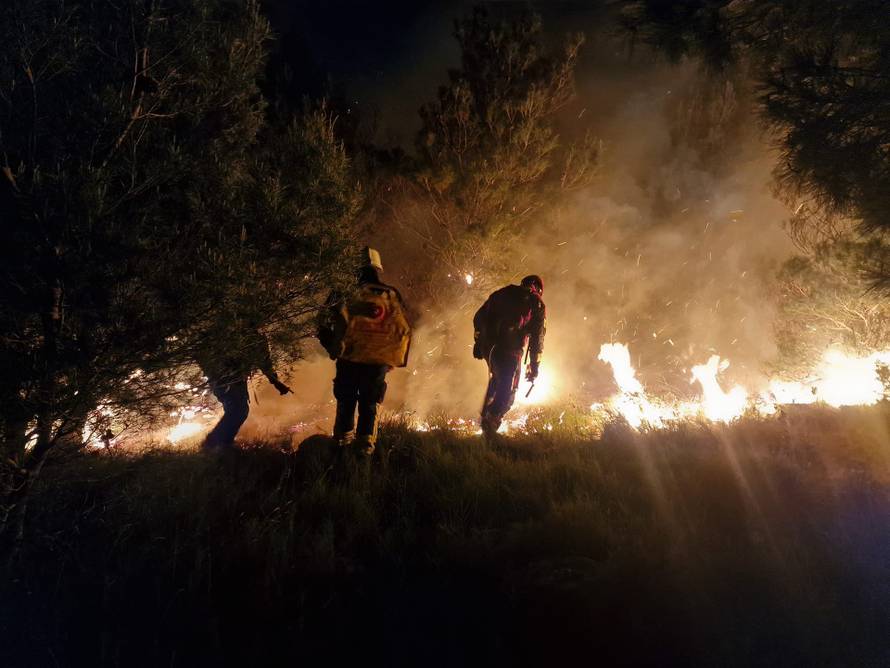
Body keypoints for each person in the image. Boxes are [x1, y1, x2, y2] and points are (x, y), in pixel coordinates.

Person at [317, 248, 411, 455]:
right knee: (370, 404)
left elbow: (321, 323)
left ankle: (342, 447)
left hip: (348, 358)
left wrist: (332, 347)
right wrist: (392, 359)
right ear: (377, 268)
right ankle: (365, 452)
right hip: (377, 362)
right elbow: (402, 329)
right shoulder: (390, 294)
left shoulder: (342, 292)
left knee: (346, 401)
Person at [473, 275, 546, 438]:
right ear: (539, 290)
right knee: (509, 387)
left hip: (490, 348)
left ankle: (486, 416)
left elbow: (478, 316)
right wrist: (534, 367)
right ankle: (491, 422)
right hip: (511, 351)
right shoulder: (537, 304)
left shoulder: (504, 292)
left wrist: (478, 342)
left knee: (497, 379)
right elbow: (537, 341)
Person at [197, 327, 291, 450]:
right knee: (238, 410)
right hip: (227, 377)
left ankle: (222, 443)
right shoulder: (246, 334)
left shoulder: (239, 330)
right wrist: (276, 382)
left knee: (236, 409)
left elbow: (264, 361)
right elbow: (264, 362)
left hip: (230, 377)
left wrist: (276, 382)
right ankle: (213, 444)